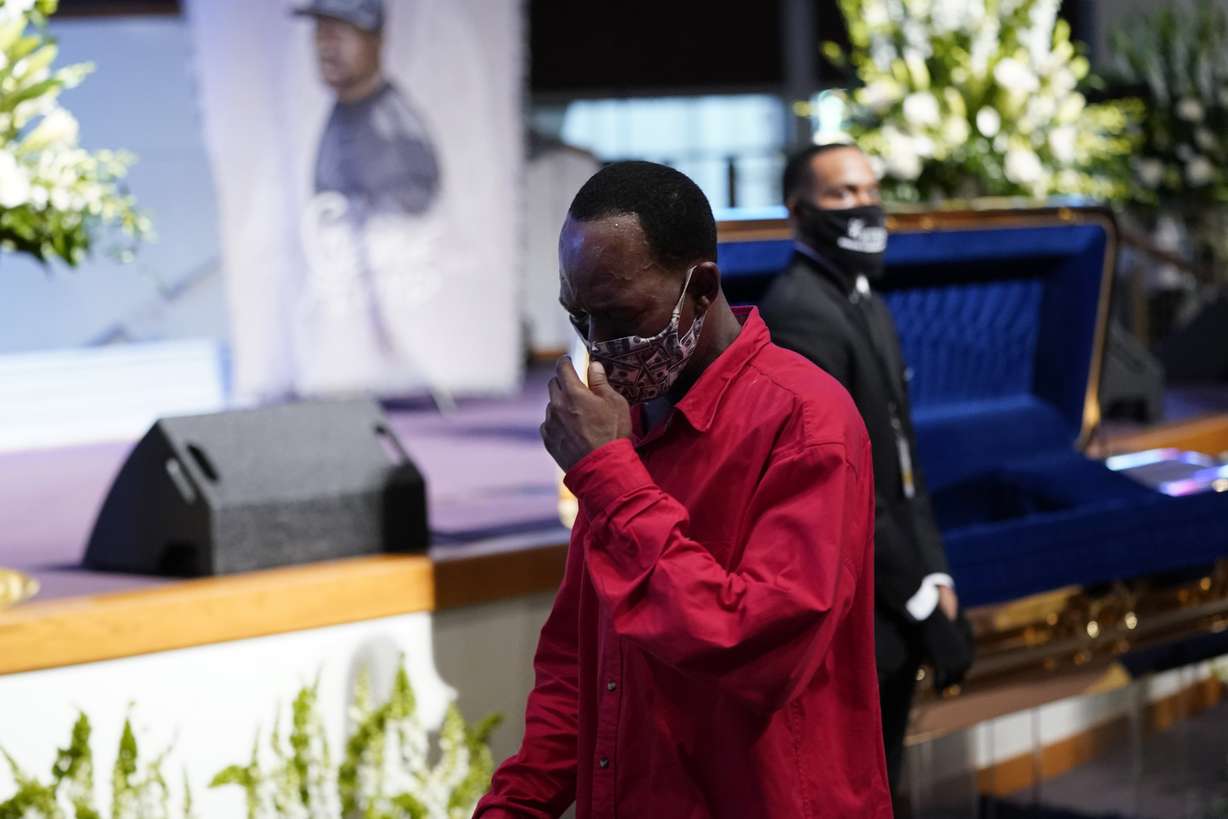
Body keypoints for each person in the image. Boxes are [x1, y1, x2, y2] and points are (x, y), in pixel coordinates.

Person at [476, 161, 892, 818]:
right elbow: (579, 666)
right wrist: (514, 805)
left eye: (619, 316)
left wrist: (611, 476)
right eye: (580, 318)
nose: (600, 349)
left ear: (700, 289)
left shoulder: (807, 422)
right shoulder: (628, 425)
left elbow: (751, 646)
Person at [758, 143, 974, 795]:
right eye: (843, 194)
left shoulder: (868, 302)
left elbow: (902, 457)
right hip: (860, 607)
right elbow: (841, 482)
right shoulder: (798, 311)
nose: (865, 205)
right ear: (799, 211)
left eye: (871, 189)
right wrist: (919, 602)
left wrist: (935, 570)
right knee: (860, 789)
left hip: (899, 588)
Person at [295, 0, 441, 218]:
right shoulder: (345, 111)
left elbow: (410, 231)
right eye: (321, 31)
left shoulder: (394, 131)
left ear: (375, 40)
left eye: (339, 32)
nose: (326, 45)